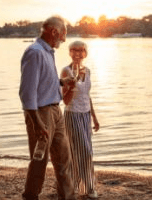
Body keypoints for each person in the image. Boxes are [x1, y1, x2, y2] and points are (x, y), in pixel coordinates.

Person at [19, 15, 77, 200]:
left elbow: (43, 82)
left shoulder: (47, 52)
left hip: (55, 111)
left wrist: (62, 81)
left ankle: (67, 197)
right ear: (54, 31)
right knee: (39, 161)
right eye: (64, 33)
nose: (64, 38)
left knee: (64, 159)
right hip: (40, 113)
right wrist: (36, 122)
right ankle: (30, 196)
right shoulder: (35, 52)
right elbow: (27, 92)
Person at [60, 41, 100, 199]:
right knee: (84, 151)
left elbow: (87, 96)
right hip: (72, 115)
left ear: (85, 53)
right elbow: (65, 101)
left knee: (82, 151)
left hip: (85, 116)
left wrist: (94, 118)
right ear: (69, 52)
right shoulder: (66, 71)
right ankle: (89, 188)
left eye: (81, 50)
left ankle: (75, 186)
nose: (77, 53)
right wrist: (71, 85)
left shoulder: (88, 71)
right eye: (74, 50)